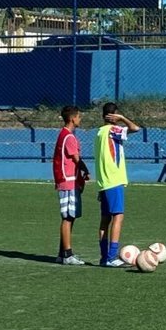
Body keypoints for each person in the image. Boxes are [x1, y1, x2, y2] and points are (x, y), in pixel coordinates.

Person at [94, 102, 142, 266]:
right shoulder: (113, 130)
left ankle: (103, 257)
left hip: (103, 182)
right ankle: (112, 257)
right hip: (114, 180)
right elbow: (135, 128)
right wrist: (122, 118)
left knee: (104, 220)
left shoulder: (99, 132)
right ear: (113, 115)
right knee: (118, 217)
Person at [50, 104, 88, 264]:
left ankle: (62, 253)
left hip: (68, 180)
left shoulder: (63, 134)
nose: (80, 119)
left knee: (70, 216)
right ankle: (67, 255)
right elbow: (76, 159)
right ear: (72, 118)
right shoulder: (69, 137)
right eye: (78, 116)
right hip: (68, 181)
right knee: (68, 217)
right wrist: (86, 171)